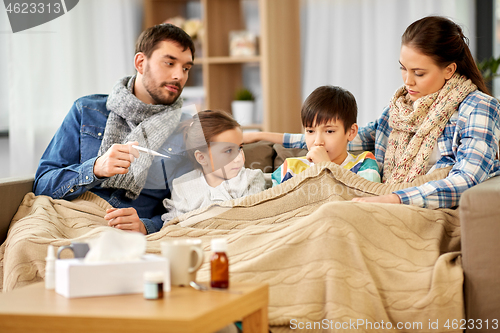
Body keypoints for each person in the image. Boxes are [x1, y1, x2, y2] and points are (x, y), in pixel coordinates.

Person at [245, 16, 500, 209]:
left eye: (419, 73)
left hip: (423, 208)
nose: (407, 81)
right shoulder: (398, 109)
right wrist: (263, 136)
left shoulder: (478, 108)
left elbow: (467, 178)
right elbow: (341, 137)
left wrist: (393, 199)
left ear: (449, 69)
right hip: (380, 200)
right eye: (403, 69)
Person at [33, 24, 196, 234]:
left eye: (186, 68)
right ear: (140, 62)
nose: (179, 76)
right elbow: (42, 185)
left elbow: (193, 204)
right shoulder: (86, 110)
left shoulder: (188, 128)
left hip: (128, 235)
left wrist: (146, 226)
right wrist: (94, 169)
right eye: (169, 63)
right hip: (69, 218)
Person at [161, 110, 266, 222]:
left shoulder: (251, 179)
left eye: (240, 148)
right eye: (228, 150)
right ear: (201, 158)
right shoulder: (182, 186)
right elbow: (173, 225)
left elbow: (253, 219)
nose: (239, 158)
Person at [271, 85, 380, 186]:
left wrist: (326, 167)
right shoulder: (289, 168)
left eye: (329, 131)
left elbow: (365, 201)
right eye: (310, 131)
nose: (318, 141)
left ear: (351, 132)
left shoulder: (364, 164)